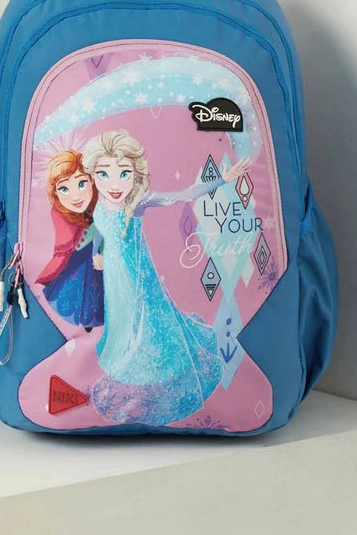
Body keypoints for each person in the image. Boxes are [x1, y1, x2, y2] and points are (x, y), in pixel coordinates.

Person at [82, 130, 250, 425]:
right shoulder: (98, 202)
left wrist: (222, 179)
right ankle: (126, 361)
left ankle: (153, 373)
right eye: (104, 174)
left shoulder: (138, 201)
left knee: (147, 320)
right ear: (93, 174)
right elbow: (101, 231)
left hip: (138, 276)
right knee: (122, 319)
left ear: (136, 173)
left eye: (124, 173)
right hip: (114, 277)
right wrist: (98, 252)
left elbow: (182, 195)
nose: (114, 184)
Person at [36, 150, 104, 331]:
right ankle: (85, 321)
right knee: (74, 287)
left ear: (91, 179)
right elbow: (63, 241)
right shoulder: (60, 212)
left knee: (98, 289)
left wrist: (102, 250)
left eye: (82, 183)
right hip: (78, 256)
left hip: (98, 253)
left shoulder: (101, 203)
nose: (76, 196)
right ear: (55, 192)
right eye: (64, 189)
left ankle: (91, 320)